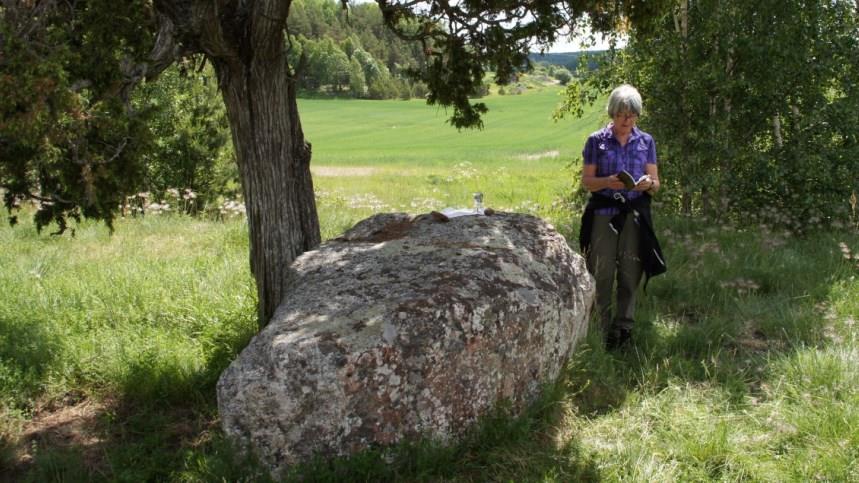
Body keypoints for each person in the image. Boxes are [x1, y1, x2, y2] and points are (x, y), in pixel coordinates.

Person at [578, 84, 666, 348]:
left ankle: (624, 330)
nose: (626, 120)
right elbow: (587, 181)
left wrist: (647, 184)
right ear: (612, 113)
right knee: (601, 274)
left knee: (630, 274)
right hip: (604, 214)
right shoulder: (596, 141)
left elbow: (657, 183)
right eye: (621, 115)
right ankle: (601, 330)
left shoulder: (646, 141)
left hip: (634, 216)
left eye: (631, 115)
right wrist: (607, 181)